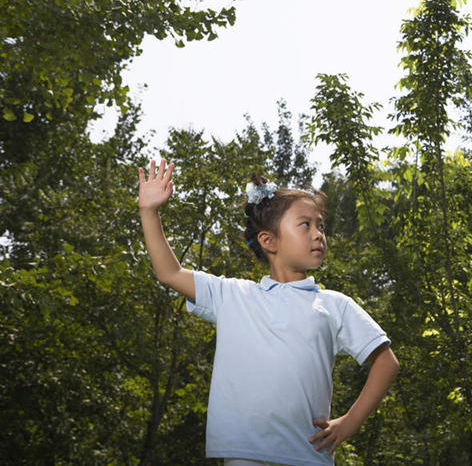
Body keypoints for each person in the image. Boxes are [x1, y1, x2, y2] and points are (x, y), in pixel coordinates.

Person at [138, 160, 399, 466]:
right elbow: (170, 272)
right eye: (305, 224)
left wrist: (349, 422)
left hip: (308, 455)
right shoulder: (233, 295)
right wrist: (149, 211)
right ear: (269, 240)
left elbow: (386, 362)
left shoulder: (335, 305)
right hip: (244, 455)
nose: (318, 234)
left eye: (321, 225)